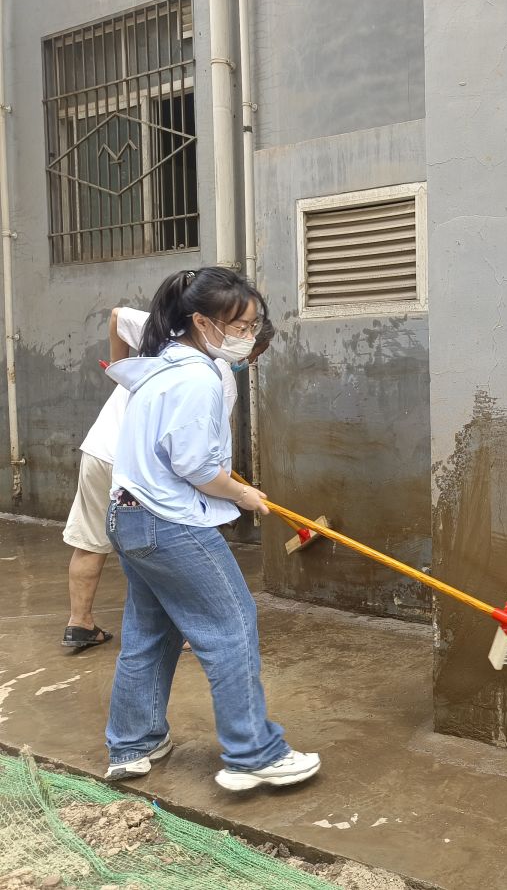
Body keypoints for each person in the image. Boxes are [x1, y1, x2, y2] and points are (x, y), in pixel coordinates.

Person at [103, 267, 318, 791]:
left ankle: (133, 743)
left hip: (129, 517)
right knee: (232, 626)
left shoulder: (158, 369)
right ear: (201, 322)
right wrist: (243, 494)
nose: (247, 335)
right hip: (168, 521)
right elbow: (195, 466)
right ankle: (253, 753)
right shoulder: (198, 377)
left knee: (150, 633)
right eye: (239, 325)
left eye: (251, 324)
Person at [61, 306, 273, 650]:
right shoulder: (216, 378)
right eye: (253, 352)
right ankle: (192, 630)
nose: (249, 361)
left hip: (101, 451)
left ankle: (80, 623)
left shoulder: (165, 337)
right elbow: (199, 457)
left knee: (90, 539)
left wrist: (118, 370)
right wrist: (237, 494)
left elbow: (117, 315)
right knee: (172, 546)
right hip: (145, 469)